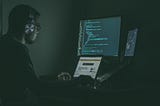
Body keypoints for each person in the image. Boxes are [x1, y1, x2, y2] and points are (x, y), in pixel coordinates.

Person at [0, 4, 41, 106]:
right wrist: (71, 83)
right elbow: (36, 86)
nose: (38, 30)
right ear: (28, 26)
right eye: (37, 26)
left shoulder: (3, 42)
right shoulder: (18, 49)